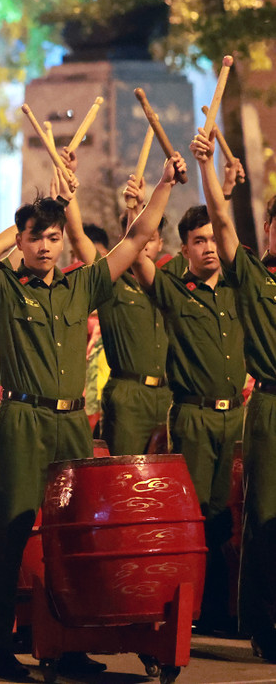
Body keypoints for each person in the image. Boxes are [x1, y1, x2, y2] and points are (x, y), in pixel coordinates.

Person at [0, 142, 182, 680]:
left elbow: (138, 237)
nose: (46, 246)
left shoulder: (82, 285)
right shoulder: (1, 287)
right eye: (34, 238)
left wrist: (166, 183)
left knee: (74, 538)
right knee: (11, 533)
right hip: (23, 421)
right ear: (18, 243)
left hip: (74, 424)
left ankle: (71, 645)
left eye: (53, 237)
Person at [132, 196, 246, 633]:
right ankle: (187, 613)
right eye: (198, 241)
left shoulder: (240, 287)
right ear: (183, 251)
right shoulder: (174, 292)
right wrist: (137, 207)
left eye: (214, 238)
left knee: (223, 517)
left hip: (235, 416)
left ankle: (219, 611)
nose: (209, 247)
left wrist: (228, 194)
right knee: (192, 518)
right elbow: (138, 254)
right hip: (193, 419)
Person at [188, 132, 276, 659]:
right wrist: (207, 167)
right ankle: (262, 626)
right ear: (266, 232)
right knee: (264, 517)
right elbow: (222, 224)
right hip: (268, 405)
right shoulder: (252, 278)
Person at [61, 158, 170, 455]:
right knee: (124, 483)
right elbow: (78, 238)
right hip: (128, 395)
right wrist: (68, 192)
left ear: (160, 244)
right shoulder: (110, 282)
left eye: (152, 239)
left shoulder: (170, 286)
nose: (144, 245)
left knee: (168, 483)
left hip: (171, 396)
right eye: (139, 239)